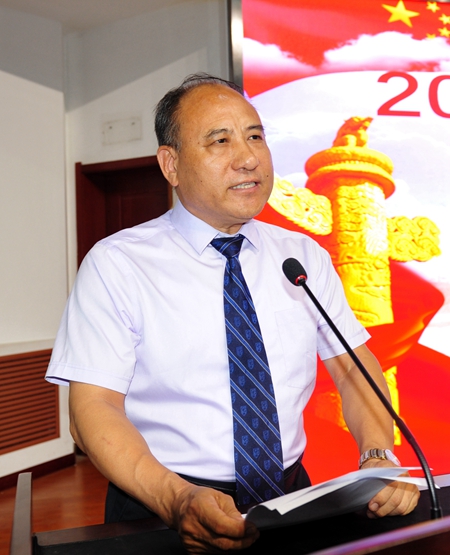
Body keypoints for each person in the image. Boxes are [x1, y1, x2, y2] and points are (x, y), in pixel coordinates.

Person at [46, 73, 419, 554]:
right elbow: (93, 408)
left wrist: (377, 453)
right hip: (162, 501)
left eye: (255, 137)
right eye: (220, 141)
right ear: (171, 164)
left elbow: (354, 367)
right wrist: (174, 497)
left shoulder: (302, 255)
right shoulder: (117, 264)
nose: (248, 158)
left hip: (291, 496)